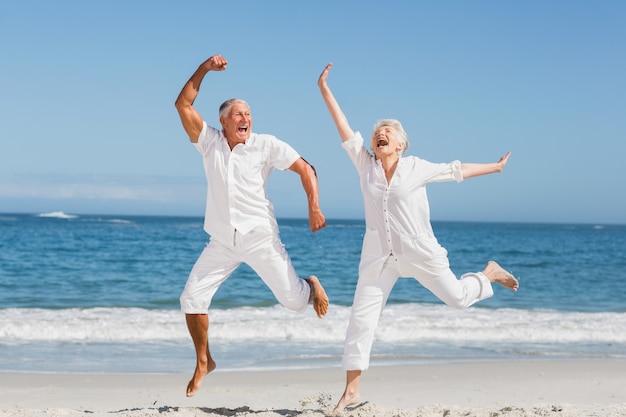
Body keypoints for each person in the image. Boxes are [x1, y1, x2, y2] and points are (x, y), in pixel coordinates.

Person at [317, 62, 519, 415]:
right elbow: (345, 131)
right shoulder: (365, 166)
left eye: (387, 132)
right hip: (379, 258)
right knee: (360, 321)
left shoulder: (417, 168)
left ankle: (488, 273)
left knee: (457, 298)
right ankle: (351, 392)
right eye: (376, 132)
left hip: (419, 252)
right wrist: (325, 89)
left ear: (401, 143)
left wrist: (496, 167)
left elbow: (458, 170)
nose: (379, 134)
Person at [174, 54, 329, 397]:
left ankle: (310, 284)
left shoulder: (265, 145)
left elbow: (306, 169)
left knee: (293, 302)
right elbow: (182, 104)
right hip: (221, 242)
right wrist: (204, 69)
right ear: (224, 121)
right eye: (239, 114)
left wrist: (314, 206)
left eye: (249, 114)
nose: (246, 119)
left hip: (260, 238)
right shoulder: (209, 143)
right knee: (191, 299)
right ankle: (204, 361)